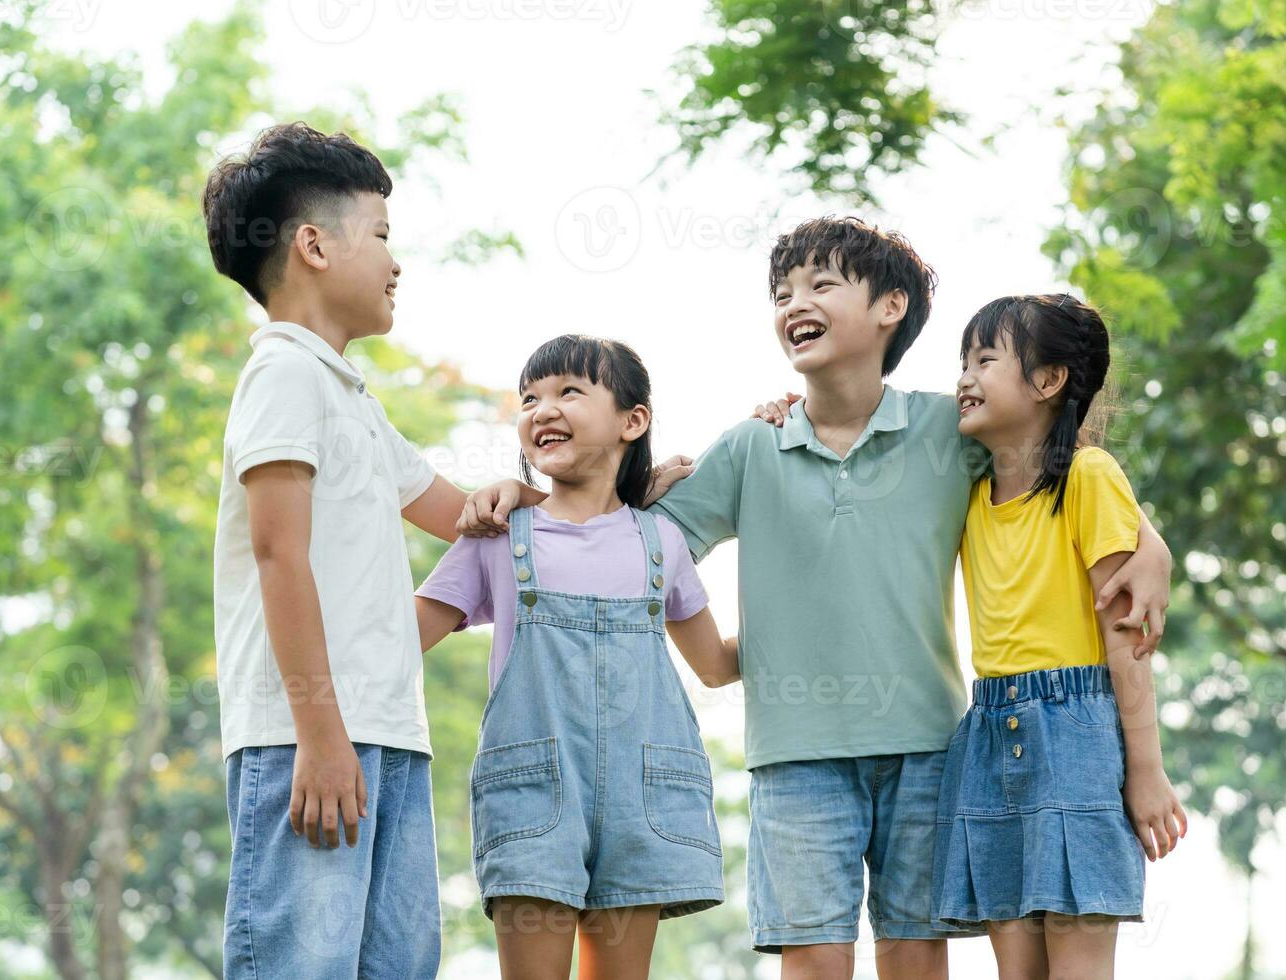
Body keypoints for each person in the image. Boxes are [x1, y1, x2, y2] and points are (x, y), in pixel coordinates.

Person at [460, 217, 1173, 980]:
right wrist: (526, 495)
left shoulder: (949, 428)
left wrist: (1149, 543)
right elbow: (624, 543)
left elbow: (1053, 459)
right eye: (782, 291)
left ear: (890, 307)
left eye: (821, 283)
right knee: (813, 959)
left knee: (914, 953)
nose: (794, 301)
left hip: (928, 748)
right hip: (795, 755)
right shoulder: (749, 446)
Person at [205, 122, 470, 979]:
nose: (397, 262)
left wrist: (618, 485)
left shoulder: (352, 398)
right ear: (314, 245)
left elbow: (462, 516)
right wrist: (321, 737)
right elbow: (280, 555)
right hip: (306, 739)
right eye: (383, 235)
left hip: (388, 737)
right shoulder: (282, 375)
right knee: (301, 967)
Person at [415, 335, 737, 980]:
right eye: (529, 398)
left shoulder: (661, 540)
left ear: (632, 420)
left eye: (568, 391)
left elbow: (716, 666)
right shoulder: (498, 536)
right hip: (531, 793)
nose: (541, 409)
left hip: (644, 800)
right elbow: (399, 641)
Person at [932, 293, 1186, 978]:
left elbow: (1126, 635)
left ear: (1048, 382)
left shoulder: (1090, 475)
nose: (964, 377)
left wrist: (1146, 769)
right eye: (962, 361)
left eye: (986, 359)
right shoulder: (966, 482)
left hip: (1074, 732)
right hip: (987, 734)